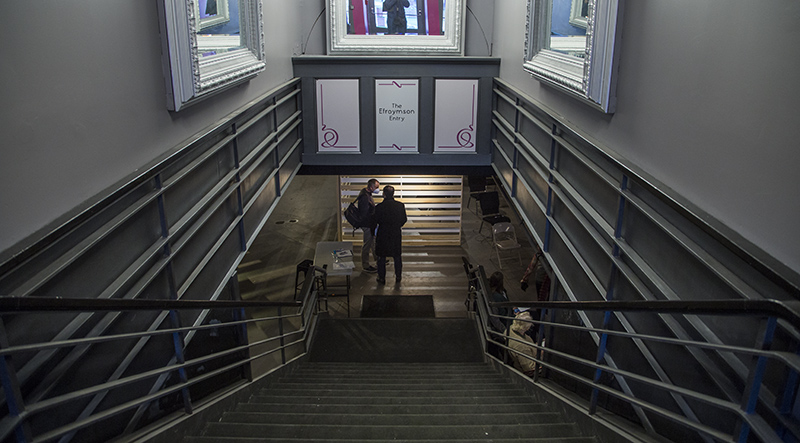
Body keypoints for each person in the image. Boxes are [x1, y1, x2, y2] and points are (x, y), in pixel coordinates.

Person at [372, 185, 407, 284]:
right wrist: (396, 225)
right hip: (395, 233)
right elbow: (404, 219)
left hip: (383, 233)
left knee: (381, 257)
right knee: (397, 256)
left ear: (384, 194)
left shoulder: (379, 207)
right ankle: (398, 276)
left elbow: (375, 220)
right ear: (393, 194)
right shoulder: (400, 206)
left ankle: (382, 277)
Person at [357, 178, 380, 273]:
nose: (378, 189)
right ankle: (365, 265)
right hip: (367, 224)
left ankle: (378, 259)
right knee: (367, 243)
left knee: (372, 242)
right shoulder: (364, 197)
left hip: (369, 224)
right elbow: (365, 213)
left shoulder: (366, 194)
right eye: (376, 187)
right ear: (371, 187)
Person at [487, 271, 511, 361]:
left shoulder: (502, 292)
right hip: (506, 322)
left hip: (508, 316)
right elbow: (495, 319)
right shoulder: (496, 297)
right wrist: (504, 330)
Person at [508, 308, 538, 377]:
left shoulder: (510, 329)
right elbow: (530, 369)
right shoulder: (522, 346)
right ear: (527, 328)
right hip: (527, 369)